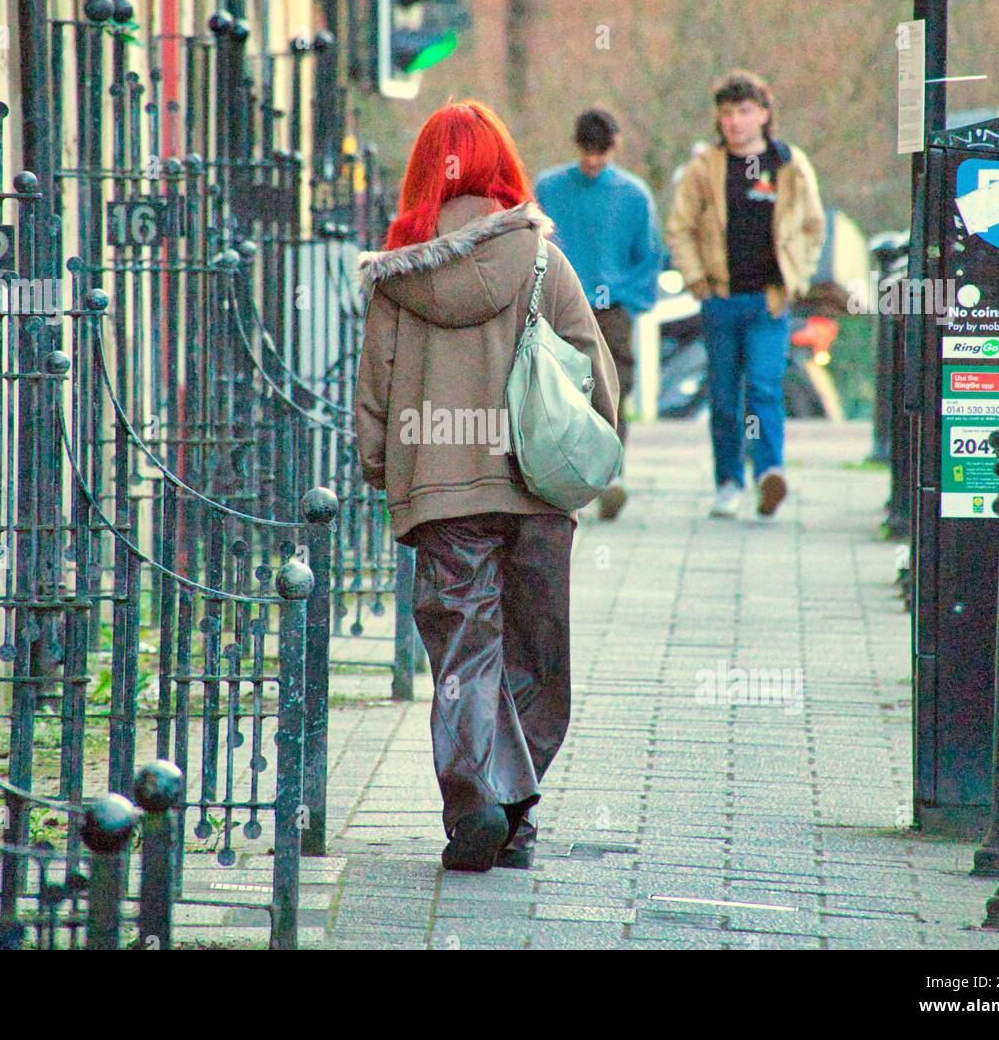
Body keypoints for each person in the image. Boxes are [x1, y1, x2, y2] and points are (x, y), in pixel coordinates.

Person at [354, 100, 619, 872]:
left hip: (442, 495)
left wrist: (387, 470)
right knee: (536, 656)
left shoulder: (397, 280)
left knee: (466, 654)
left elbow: (375, 394)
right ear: (501, 168)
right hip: (534, 486)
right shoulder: (541, 261)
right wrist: (595, 448)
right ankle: (515, 815)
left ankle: (478, 803)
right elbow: (595, 373)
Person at [666, 70, 825, 519]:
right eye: (727, 113)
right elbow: (679, 227)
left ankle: (769, 472)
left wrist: (799, 277)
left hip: (769, 300)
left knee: (764, 387)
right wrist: (698, 281)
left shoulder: (789, 164)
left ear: (764, 114)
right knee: (722, 395)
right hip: (720, 299)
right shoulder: (704, 169)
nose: (735, 121)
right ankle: (729, 481)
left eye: (744, 112)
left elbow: (813, 227)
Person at [535, 109, 665, 520]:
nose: (593, 161)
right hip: (563, 302)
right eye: (588, 152)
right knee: (561, 391)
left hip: (612, 309)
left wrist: (628, 297)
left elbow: (649, 255)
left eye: (601, 153)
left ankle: (610, 475)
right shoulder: (550, 188)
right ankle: (568, 476)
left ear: (614, 148)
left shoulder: (633, 195)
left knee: (612, 389)